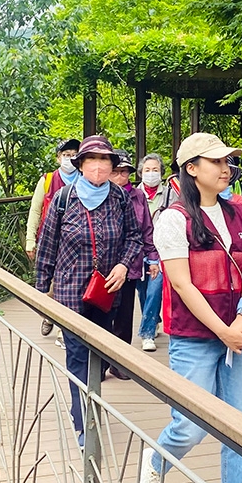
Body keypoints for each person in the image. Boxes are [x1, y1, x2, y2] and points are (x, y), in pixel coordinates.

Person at [136, 132, 242, 483]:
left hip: (240, 331)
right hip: (195, 336)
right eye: (217, 162)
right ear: (191, 169)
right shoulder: (173, 219)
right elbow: (182, 283)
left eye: (228, 161)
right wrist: (223, 330)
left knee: (240, 424)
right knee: (191, 425)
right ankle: (156, 461)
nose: (226, 168)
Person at [35, 136, 144, 445]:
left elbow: (134, 238)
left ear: (112, 166)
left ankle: (88, 403)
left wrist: (123, 265)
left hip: (106, 290)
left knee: (99, 351)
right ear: (80, 165)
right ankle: (83, 422)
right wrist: (42, 291)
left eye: (104, 160)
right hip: (70, 289)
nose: (98, 166)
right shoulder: (64, 198)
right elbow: (47, 245)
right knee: (78, 354)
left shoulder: (120, 199)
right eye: (91, 160)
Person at [25, 138, 81, 339]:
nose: (70, 158)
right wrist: (30, 240)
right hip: (50, 241)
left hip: (75, 243)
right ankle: (50, 315)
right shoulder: (47, 180)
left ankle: (61, 328)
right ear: (58, 158)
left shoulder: (84, 179)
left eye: (74, 154)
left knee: (66, 283)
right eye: (66, 155)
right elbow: (35, 210)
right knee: (52, 285)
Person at [112, 150, 160, 355]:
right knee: (104, 313)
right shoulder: (101, 194)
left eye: (125, 172)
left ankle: (120, 361)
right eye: (116, 171)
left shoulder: (137, 196)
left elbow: (146, 229)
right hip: (103, 265)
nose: (121, 176)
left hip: (131, 264)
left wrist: (153, 259)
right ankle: (101, 361)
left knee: (124, 314)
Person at [136, 153, 166, 350]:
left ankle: (147, 334)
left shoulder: (171, 193)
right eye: (147, 170)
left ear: (161, 172)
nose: (151, 173)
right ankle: (154, 319)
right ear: (140, 173)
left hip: (162, 250)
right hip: (139, 249)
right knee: (144, 290)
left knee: (155, 289)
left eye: (155, 170)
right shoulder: (133, 194)